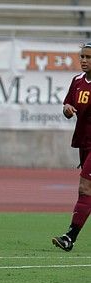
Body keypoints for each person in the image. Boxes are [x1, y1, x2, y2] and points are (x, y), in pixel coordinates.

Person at [52, 42, 91, 252]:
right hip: (84, 142)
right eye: (82, 57)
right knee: (87, 192)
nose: (84, 60)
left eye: (88, 57)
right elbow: (69, 107)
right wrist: (67, 109)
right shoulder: (77, 81)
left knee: (85, 188)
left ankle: (69, 237)